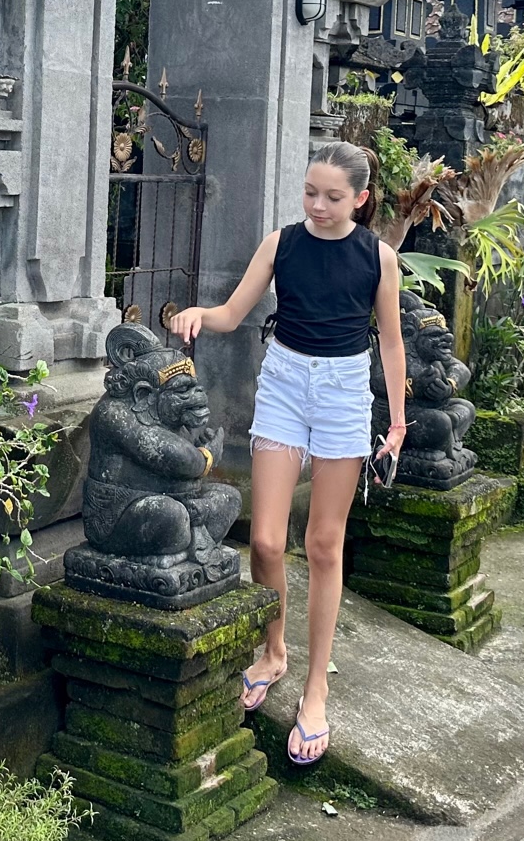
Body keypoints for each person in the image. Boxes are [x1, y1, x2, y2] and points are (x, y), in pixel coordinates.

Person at [170, 141, 406, 767]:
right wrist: (199, 314)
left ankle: (317, 685)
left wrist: (399, 423)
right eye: (310, 192)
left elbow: (390, 344)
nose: (318, 206)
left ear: (360, 197)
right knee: (268, 542)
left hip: (344, 391)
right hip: (284, 383)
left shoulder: (379, 259)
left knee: (325, 543)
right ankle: (273, 651)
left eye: (333, 197)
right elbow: (231, 313)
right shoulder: (281, 245)